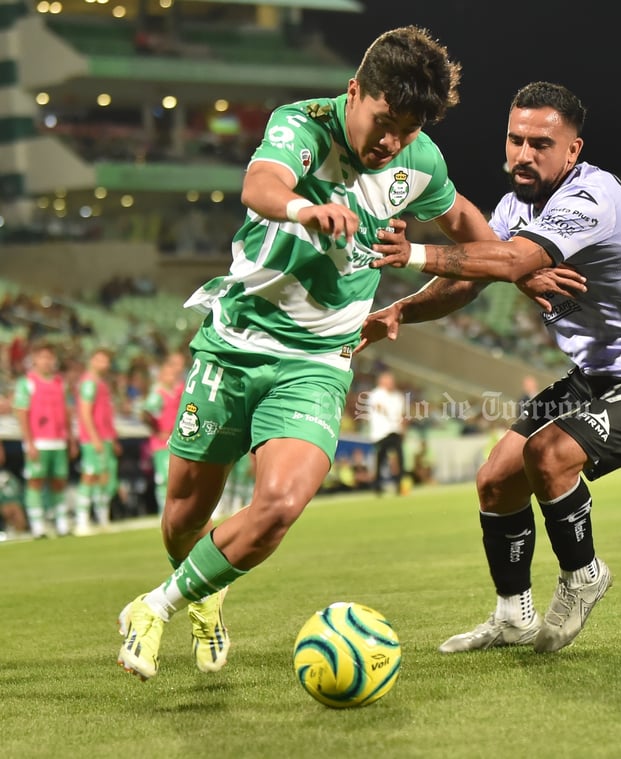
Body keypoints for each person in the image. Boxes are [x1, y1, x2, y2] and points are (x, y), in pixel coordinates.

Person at [116, 25, 505, 682]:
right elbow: (261, 184)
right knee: (184, 509)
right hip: (236, 342)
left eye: (408, 129)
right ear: (355, 92)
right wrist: (305, 210)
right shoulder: (304, 124)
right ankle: (204, 592)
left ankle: (157, 605)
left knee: (280, 505)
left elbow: (477, 245)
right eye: (384, 120)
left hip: (319, 361)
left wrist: (429, 294)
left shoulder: (420, 164)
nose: (391, 142)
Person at [362, 81, 621, 654]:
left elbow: (516, 258)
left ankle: (584, 576)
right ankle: (512, 616)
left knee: (548, 456)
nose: (523, 154)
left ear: (571, 151)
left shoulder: (593, 198)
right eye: (514, 139)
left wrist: (416, 252)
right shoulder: (515, 206)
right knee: (495, 480)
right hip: (594, 375)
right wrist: (399, 310)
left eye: (540, 144)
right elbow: (467, 281)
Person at [12, 341, 75, 538]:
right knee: (35, 482)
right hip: (38, 441)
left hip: (58, 440)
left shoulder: (60, 383)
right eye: (42, 357)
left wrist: (70, 439)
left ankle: (61, 523)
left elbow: (67, 412)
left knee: (59, 481)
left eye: (50, 357)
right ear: (35, 360)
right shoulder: (27, 382)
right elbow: (22, 412)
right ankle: (38, 526)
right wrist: (28, 441)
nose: (47, 361)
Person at [75, 347, 122, 533]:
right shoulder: (88, 383)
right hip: (94, 439)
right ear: (92, 361)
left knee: (104, 478)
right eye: (100, 360)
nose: (105, 364)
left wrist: (113, 438)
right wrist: (94, 438)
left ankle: (102, 518)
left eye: (107, 361)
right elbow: (85, 413)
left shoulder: (102, 383)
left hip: (106, 437)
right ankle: (82, 520)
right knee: (90, 476)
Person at [140, 352, 186, 515]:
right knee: (164, 477)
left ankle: (176, 510)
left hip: (177, 439)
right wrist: (157, 430)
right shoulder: (157, 393)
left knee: (178, 476)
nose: (171, 377)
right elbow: (145, 413)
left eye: (173, 374)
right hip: (161, 443)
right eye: (168, 374)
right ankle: (164, 511)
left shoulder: (179, 389)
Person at [365, 370, 406, 494]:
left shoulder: (398, 396)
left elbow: (401, 415)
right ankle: (377, 485)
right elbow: (379, 407)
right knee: (380, 458)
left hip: (394, 430)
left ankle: (399, 483)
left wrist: (402, 428)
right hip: (381, 432)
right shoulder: (376, 394)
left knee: (399, 457)